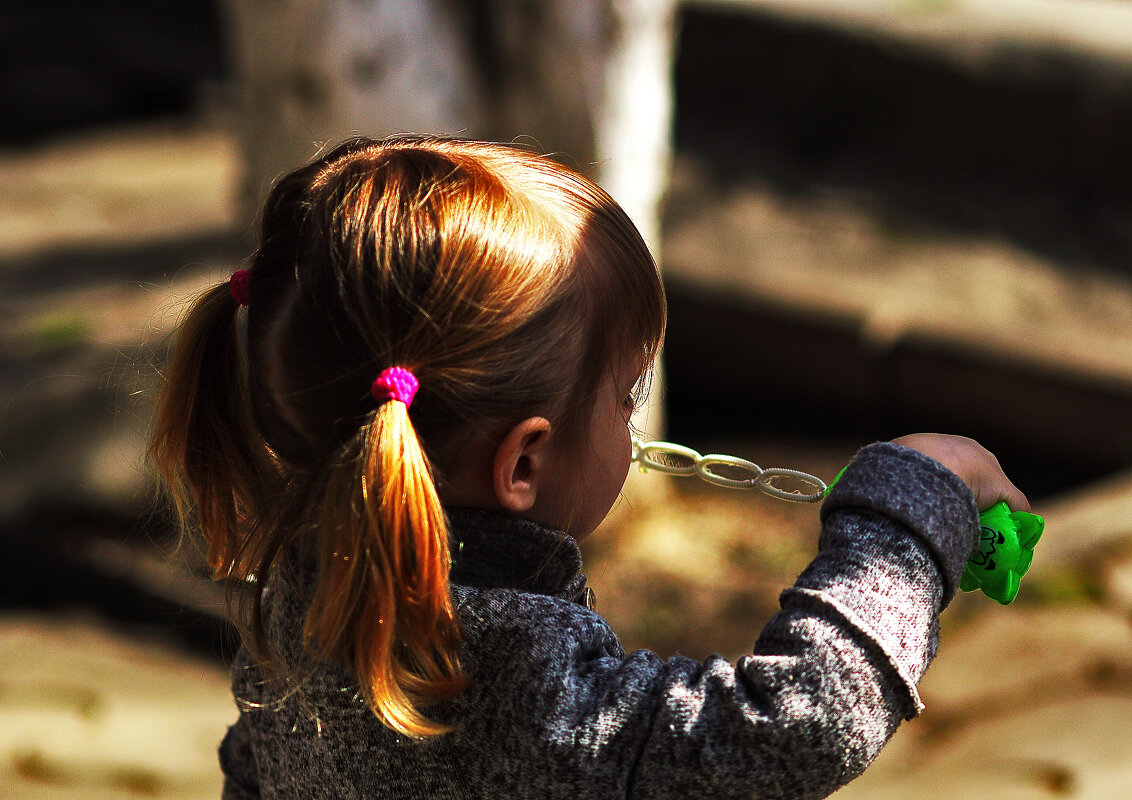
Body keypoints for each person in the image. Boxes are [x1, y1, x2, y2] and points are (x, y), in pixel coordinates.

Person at [151, 135, 1032, 799]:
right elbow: (799, 726)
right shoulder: (509, 673)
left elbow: (251, 773)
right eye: (624, 394)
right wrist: (908, 509)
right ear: (523, 464)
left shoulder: (304, 599)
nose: (633, 421)